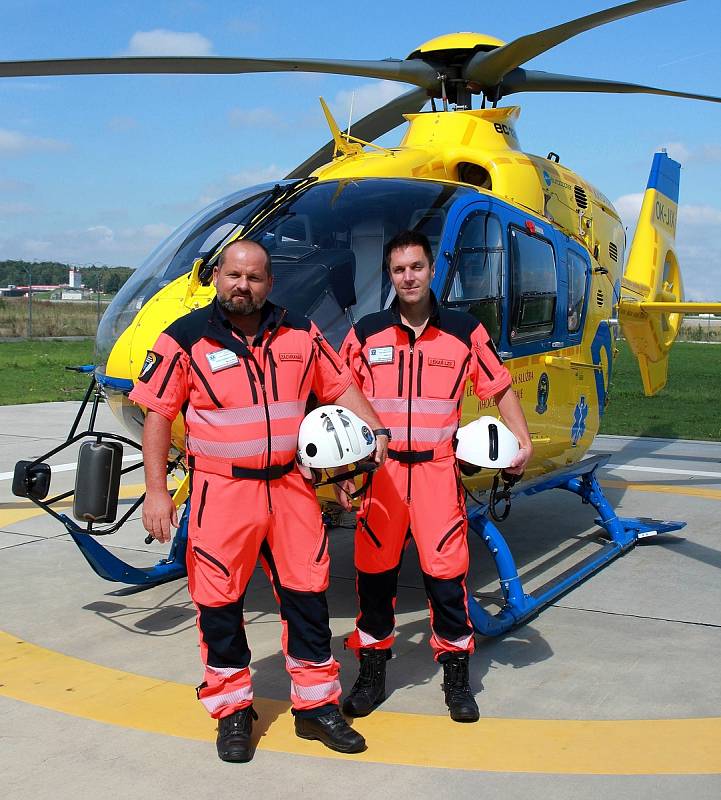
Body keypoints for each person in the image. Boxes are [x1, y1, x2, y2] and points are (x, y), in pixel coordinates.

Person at [129, 240, 388, 762]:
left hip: (291, 487)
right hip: (221, 492)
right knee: (219, 605)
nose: (242, 286)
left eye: (254, 277)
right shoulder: (184, 339)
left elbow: (338, 389)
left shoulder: (300, 333)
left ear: (270, 283)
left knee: (308, 598)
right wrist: (156, 491)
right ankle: (232, 712)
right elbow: (158, 414)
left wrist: (374, 432)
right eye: (233, 275)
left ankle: (316, 707)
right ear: (217, 278)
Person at [336, 230, 532, 722]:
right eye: (399, 269)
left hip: (436, 474)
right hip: (379, 475)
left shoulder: (465, 332)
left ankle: (457, 677)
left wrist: (522, 440)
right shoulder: (366, 333)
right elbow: (338, 394)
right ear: (391, 275)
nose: (408, 277)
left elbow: (500, 386)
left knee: (447, 581)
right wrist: (343, 469)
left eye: (416, 267)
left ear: (431, 270)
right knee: (374, 581)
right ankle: (372, 672)